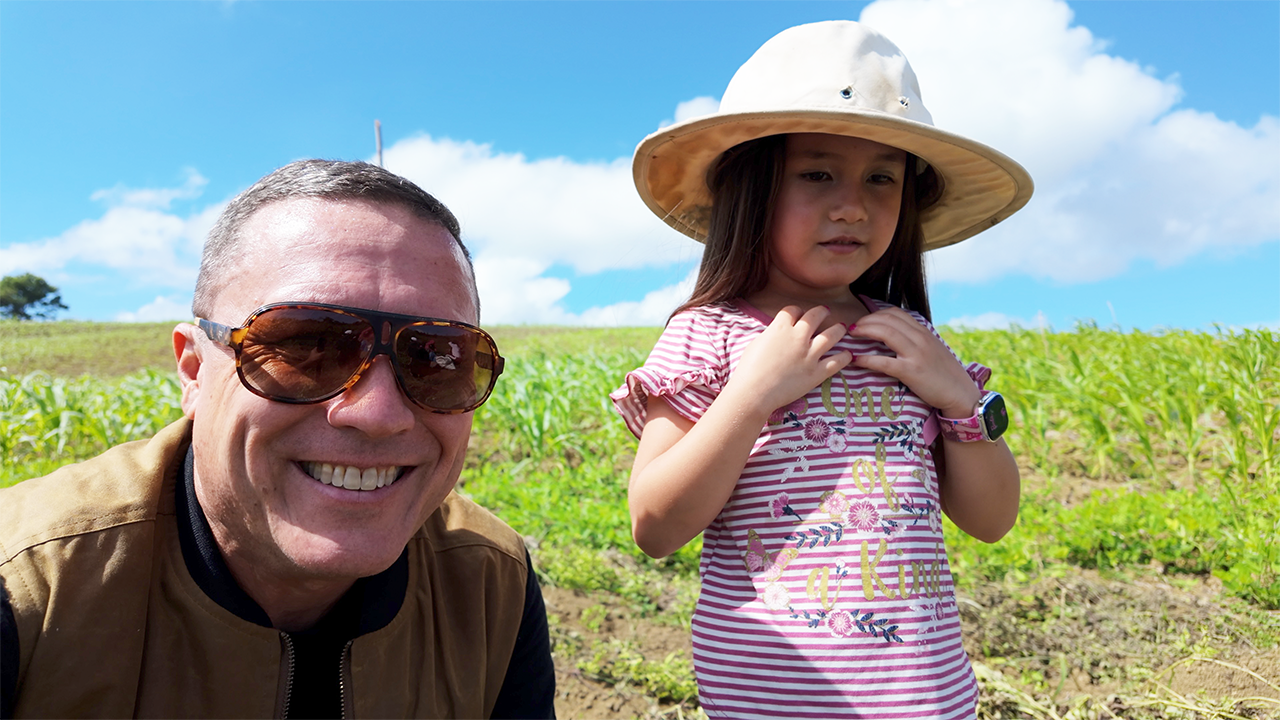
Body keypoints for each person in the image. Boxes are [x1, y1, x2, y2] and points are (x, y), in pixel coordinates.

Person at [0, 160, 556, 719]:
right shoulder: (26, 591)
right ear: (194, 372)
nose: (380, 414)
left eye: (439, 357)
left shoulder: (489, 585)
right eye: (303, 345)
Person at [611, 21, 1032, 719]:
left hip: (927, 700)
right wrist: (750, 397)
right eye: (817, 173)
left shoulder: (909, 342)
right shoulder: (707, 337)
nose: (852, 205)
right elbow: (655, 524)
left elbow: (992, 519)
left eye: (881, 179)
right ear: (751, 186)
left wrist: (960, 400)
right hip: (771, 700)